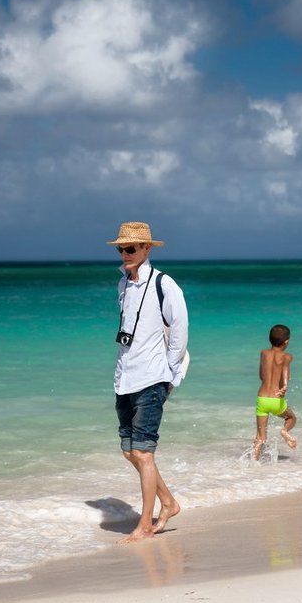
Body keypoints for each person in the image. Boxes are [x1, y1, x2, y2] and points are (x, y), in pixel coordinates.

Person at [108, 221, 188, 542]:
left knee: (144, 453)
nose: (125, 254)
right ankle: (168, 502)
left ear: (147, 249)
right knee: (130, 452)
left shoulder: (165, 285)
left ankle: (144, 525)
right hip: (124, 376)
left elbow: (179, 333)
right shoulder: (123, 285)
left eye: (130, 248)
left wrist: (169, 376)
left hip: (152, 378)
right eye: (121, 249)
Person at [252, 324, 297, 460]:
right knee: (291, 418)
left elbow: (261, 376)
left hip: (262, 398)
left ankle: (252, 464)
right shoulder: (287, 357)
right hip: (276, 399)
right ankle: (284, 431)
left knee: (260, 437)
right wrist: (285, 386)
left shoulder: (263, 353)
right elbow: (285, 375)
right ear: (286, 342)